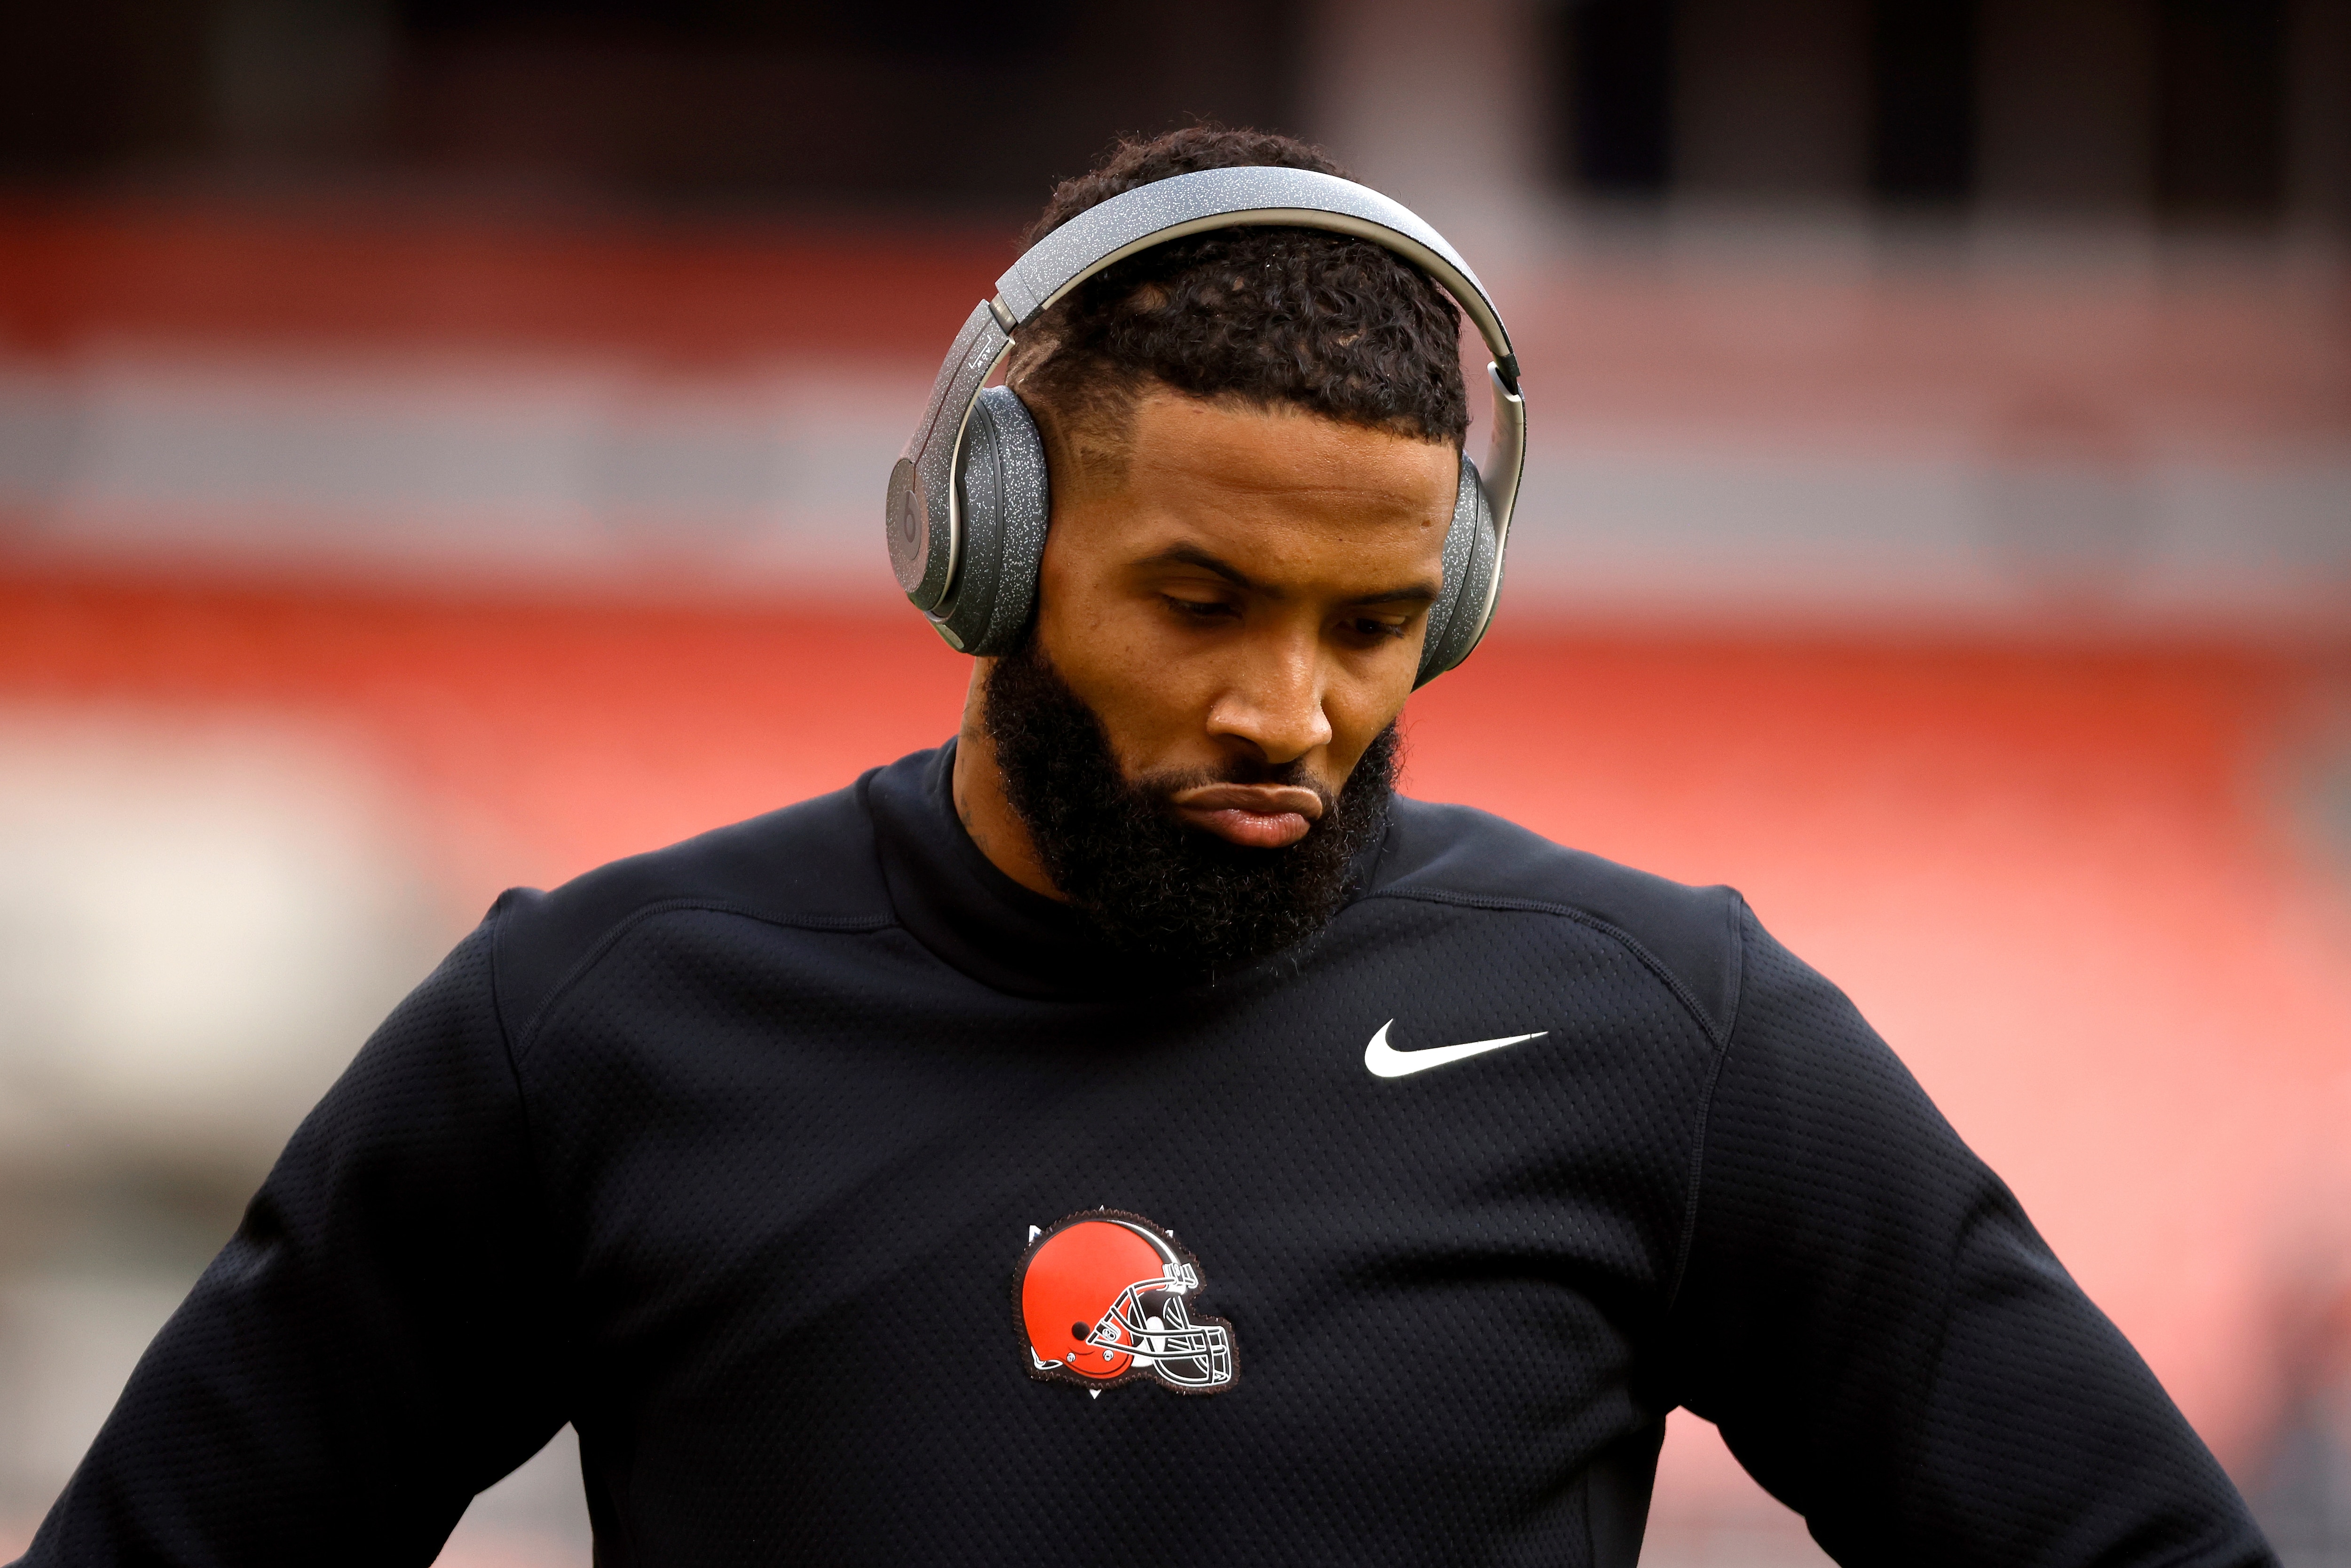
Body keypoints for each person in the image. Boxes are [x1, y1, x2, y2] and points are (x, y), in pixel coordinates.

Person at [13, 127, 2272, 1568]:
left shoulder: (1668, 1039)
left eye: (1373, 625)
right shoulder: (585, 1026)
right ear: (984, 546)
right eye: (1199, 600)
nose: (1285, 709)